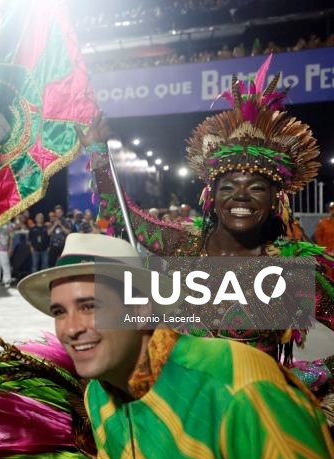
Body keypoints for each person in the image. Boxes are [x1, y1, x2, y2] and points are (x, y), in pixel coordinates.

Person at [0, 233, 334, 459]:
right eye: (60, 312)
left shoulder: (239, 384)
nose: (70, 329)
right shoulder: (99, 394)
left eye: (89, 306)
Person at [81, 55, 334, 395]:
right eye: (228, 187)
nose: (241, 197)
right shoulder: (183, 243)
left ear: (276, 198)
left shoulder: (291, 267)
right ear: (211, 195)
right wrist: (98, 152)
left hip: (253, 423)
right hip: (180, 414)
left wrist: (296, 379)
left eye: (256, 187)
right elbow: (125, 215)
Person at [0, 219, 14, 287]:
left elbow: (11, 238)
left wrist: (10, 248)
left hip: (4, 248)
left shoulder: (9, 225)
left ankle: (7, 281)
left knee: (5, 264)